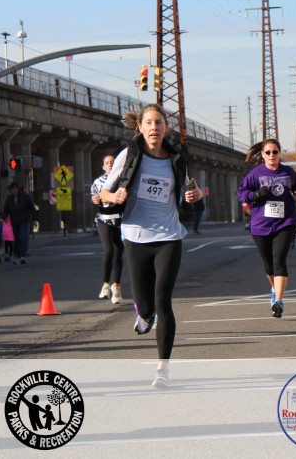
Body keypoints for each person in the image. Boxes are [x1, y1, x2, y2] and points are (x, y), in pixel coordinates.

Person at [98, 104, 202, 389]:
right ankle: (144, 316)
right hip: (136, 235)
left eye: (159, 123)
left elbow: (190, 188)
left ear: (166, 127)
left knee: (163, 300)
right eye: (149, 123)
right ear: (140, 127)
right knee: (145, 306)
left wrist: (196, 194)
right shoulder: (129, 155)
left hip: (169, 236)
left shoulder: (176, 158)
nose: (154, 127)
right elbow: (104, 192)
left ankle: (162, 370)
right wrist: (115, 197)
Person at [237, 138, 296, 319]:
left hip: (285, 222)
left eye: (275, 152)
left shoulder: (288, 172)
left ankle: (278, 301)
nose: (272, 155)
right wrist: (257, 194)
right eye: (268, 152)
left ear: (280, 153)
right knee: (268, 264)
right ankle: (274, 289)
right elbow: (241, 194)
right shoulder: (255, 174)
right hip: (261, 224)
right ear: (263, 155)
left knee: (279, 260)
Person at [90, 154, 124, 304]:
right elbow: (94, 197)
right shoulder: (98, 182)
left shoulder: (123, 180)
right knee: (109, 249)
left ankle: (116, 286)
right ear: (103, 166)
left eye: (113, 162)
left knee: (118, 251)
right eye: (107, 163)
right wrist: (95, 199)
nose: (110, 164)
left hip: (120, 219)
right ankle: (105, 285)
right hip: (104, 219)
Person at [2, 181, 38, 265]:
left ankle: (22, 255)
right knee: (17, 239)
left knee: (23, 237)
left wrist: (35, 219)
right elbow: (6, 209)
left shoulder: (25, 196)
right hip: (14, 222)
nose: (10, 191)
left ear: (16, 189)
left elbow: (32, 208)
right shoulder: (9, 198)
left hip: (24, 220)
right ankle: (18, 256)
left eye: (11, 189)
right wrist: (4, 216)